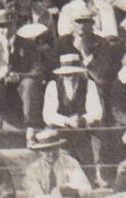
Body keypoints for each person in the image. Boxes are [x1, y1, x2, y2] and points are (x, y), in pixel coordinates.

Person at [42, 53, 108, 188]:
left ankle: (99, 172)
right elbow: (48, 115)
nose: (70, 77)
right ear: (61, 74)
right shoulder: (53, 86)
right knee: (49, 131)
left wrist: (81, 119)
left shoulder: (89, 85)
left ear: (79, 73)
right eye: (67, 74)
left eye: (74, 73)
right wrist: (67, 121)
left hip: (82, 127)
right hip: (63, 128)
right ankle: (54, 176)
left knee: (98, 127)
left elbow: (97, 111)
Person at [0, 9, 44, 133]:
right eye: (0, 27)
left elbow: (38, 72)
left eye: (8, 26)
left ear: (15, 26)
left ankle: (31, 129)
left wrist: (19, 76)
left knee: (29, 83)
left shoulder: (28, 44)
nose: (4, 31)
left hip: (21, 90)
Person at [20, 127, 93, 198]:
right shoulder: (33, 169)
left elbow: (86, 188)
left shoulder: (70, 163)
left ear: (59, 147)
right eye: (47, 150)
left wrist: (65, 191)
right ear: (40, 151)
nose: (51, 153)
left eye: (54, 148)